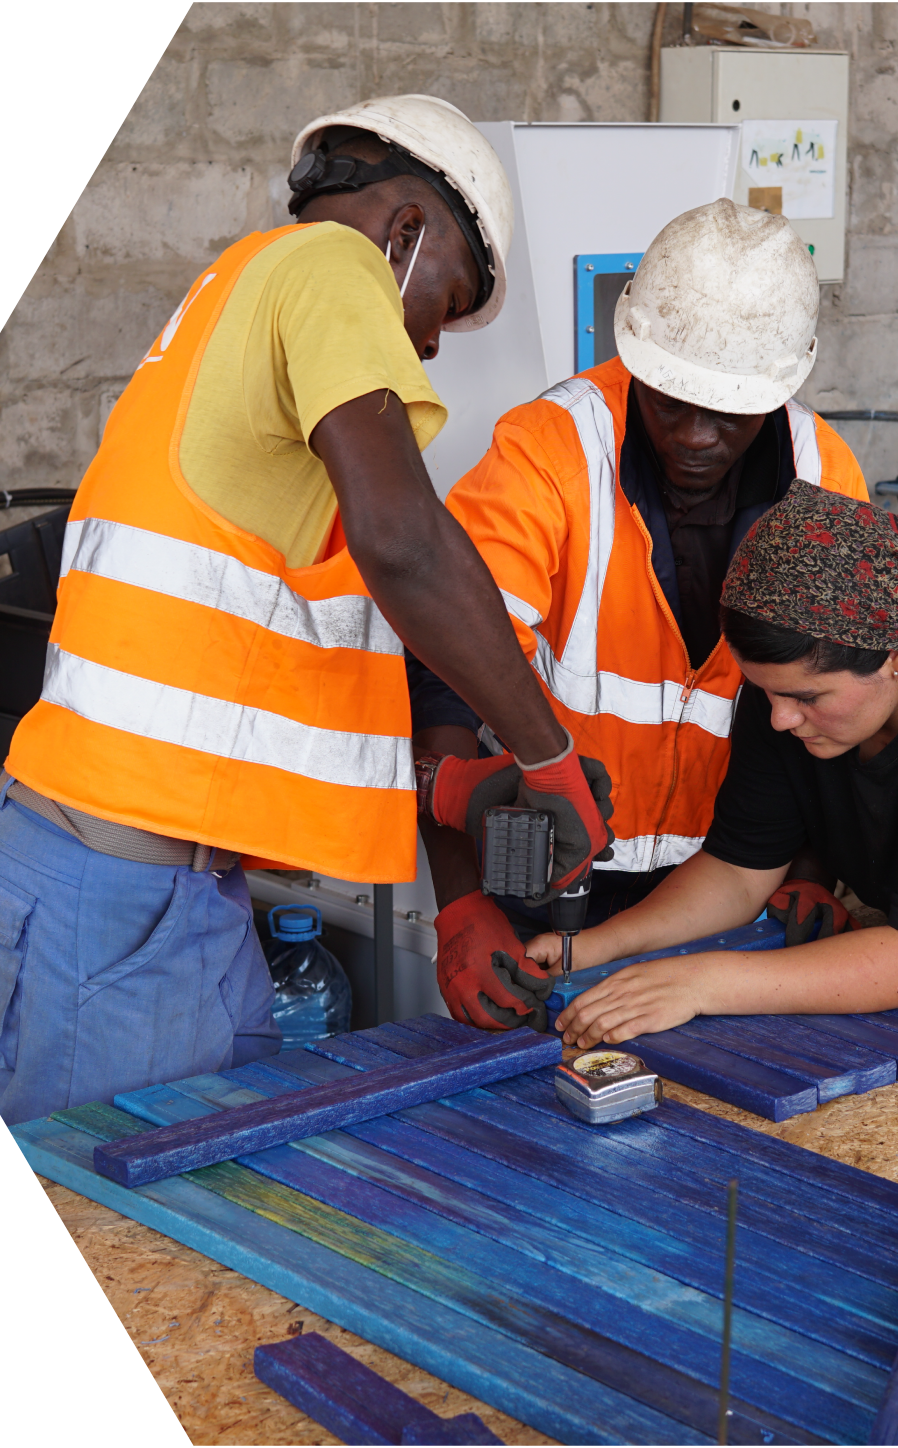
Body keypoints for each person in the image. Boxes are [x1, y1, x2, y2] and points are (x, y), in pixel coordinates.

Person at [0, 96, 610, 1126]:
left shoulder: (240, 290)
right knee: (97, 1219)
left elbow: (272, 653)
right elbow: (407, 543)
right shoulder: (331, 267)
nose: (430, 346)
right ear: (405, 232)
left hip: (150, 888)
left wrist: (454, 792)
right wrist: (546, 752)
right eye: (447, 304)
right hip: (121, 902)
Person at [411, 199, 871, 1032]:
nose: (694, 436)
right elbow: (444, 671)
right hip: (545, 879)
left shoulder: (824, 474)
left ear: (778, 387)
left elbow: (839, 701)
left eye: (725, 413)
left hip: (735, 884)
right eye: (668, 402)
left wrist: (811, 862)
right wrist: (459, 901)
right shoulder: (548, 451)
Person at [538, 481, 898, 1049]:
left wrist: (697, 983)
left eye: (807, 698)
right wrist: (591, 947)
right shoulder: (787, 697)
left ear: (896, 656)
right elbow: (739, 871)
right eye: (765, 692)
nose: (780, 719)